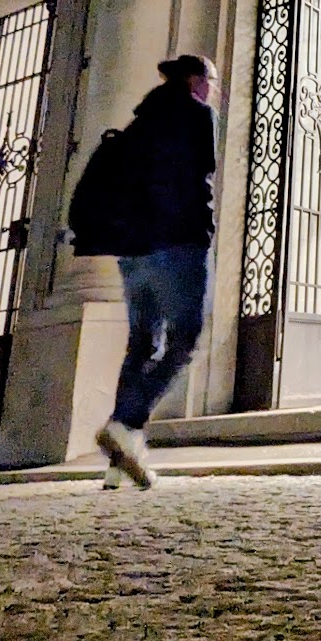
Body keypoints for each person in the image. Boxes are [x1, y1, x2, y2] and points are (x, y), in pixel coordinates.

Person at [94, 54, 217, 489]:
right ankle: (124, 424)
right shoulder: (197, 114)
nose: (212, 88)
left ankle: (119, 463)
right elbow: (202, 175)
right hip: (179, 243)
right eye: (211, 80)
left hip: (134, 251)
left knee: (142, 345)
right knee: (185, 339)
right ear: (195, 79)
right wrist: (203, 230)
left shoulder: (139, 123)